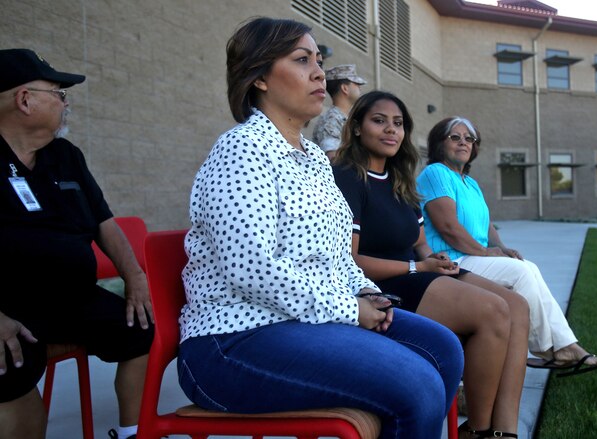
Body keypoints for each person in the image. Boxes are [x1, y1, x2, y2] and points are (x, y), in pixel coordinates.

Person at [180, 17, 463, 438]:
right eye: (301, 60)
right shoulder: (242, 150)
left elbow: (335, 253)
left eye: (318, 60)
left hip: (309, 320)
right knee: (415, 385)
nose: (319, 73)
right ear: (259, 77)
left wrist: (366, 292)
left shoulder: (314, 157)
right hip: (235, 340)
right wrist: (351, 311)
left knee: (443, 349)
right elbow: (251, 268)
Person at [333, 91, 530, 439]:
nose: (391, 130)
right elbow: (348, 259)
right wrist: (417, 269)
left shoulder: (400, 181)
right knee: (493, 311)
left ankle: (505, 430)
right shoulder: (349, 177)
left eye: (398, 124)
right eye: (379, 121)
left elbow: (420, 244)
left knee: (517, 306)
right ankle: (478, 430)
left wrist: (433, 261)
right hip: (381, 285)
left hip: (417, 273)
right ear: (358, 128)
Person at [0, 48, 154, 439]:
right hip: (10, 308)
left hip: (74, 298)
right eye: (59, 93)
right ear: (24, 99)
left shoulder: (65, 155)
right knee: (9, 366)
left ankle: (134, 431)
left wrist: (133, 276)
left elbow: (105, 224)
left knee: (141, 328)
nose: (66, 103)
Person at [417, 116, 597, 377]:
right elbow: (448, 228)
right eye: (455, 137)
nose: (463, 142)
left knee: (525, 266)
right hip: (451, 260)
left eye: (469, 138)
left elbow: (486, 225)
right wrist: (487, 252)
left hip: (472, 257)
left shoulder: (470, 183)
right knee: (521, 273)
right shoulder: (435, 173)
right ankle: (550, 349)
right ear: (439, 143)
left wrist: (502, 247)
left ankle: (566, 347)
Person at [311, 64, 365, 161]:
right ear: (345, 88)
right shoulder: (331, 120)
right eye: (356, 84)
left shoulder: (348, 118)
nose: (359, 88)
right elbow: (333, 157)